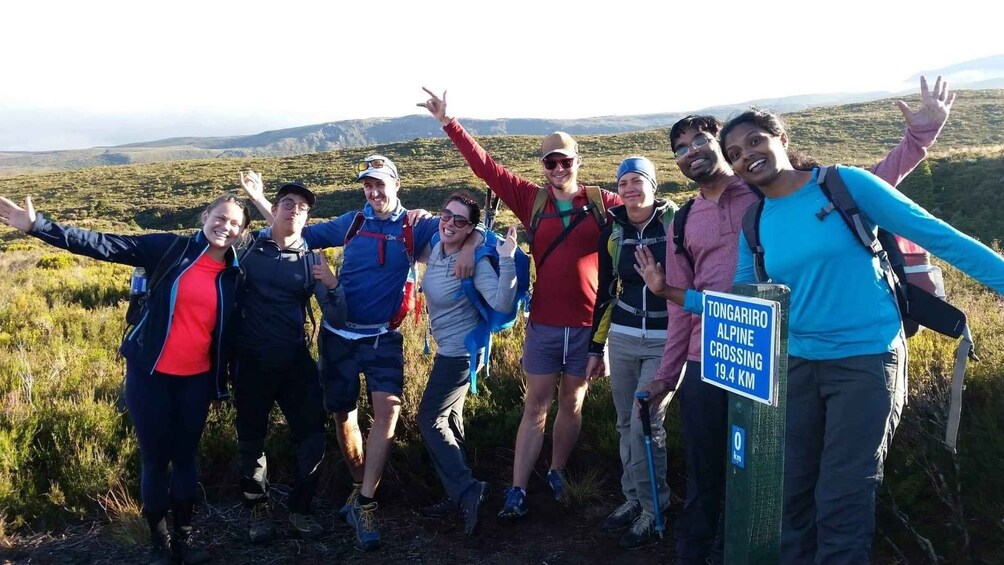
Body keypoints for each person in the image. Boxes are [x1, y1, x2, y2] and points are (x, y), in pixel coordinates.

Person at [634, 76, 957, 565]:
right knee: (737, 478)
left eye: (703, 139)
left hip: (794, 357)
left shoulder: (768, 190)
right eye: (681, 147)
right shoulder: (685, 221)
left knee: (801, 484)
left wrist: (919, 139)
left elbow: (872, 187)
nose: (693, 151)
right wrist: (667, 370)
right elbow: (694, 305)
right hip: (719, 356)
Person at [700, 104, 1004, 563]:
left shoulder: (842, 185)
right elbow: (745, 300)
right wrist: (675, 295)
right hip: (797, 367)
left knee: (843, 496)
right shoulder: (755, 222)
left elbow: (939, 235)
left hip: (865, 361)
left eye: (756, 141)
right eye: (736, 153)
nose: (748, 156)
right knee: (791, 494)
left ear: (781, 137)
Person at [240, 156, 478, 551]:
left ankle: (367, 502)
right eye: (368, 185)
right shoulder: (352, 221)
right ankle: (357, 489)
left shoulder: (414, 226)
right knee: (344, 417)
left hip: (383, 338)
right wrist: (261, 199)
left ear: (396, 184)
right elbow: (294, 231)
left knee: (388, 412)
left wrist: (472, 243)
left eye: (380, 184)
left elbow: (461, 226)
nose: (374, 192)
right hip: (337, 337)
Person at [0, 192, 251, 564]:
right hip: (150, 375)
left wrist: (222, 382)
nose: (225, 227)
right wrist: (39, 227)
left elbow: (231, 334)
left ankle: (184, 539)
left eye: (234, 223)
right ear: (205, 215)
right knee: (154, 459)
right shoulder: (169, 249)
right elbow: (104, 244)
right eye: (221, 217)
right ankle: (158, 543)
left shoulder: (234, 273)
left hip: (195, 381)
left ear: (243, 232)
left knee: (185, 459)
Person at [419, 88, 622, 519]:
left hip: (587, 327)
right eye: (550, 161)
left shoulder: (604, 203)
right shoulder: (533, 201)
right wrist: (448, 123)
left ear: (577, 161)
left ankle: (558, 470)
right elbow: (487, 169)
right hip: (545, 323)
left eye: (565, 160)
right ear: (543, 165)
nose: (558, 168)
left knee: (573, 404)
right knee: (536, 406)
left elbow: (645, 211)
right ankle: (517, 488)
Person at [230, 176, 336, 544]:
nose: (295, 210)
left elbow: (336, 314)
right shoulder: (246, 247)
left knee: (312, 437)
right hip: (251, 362)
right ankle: (257, 510)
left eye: (303, 208)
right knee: (250, 441)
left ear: (307, 219)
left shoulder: (311, 261)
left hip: (294, 362)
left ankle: (300, 509)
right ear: (273, 210)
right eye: (288, 204)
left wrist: (333, 286)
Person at [584, 156, 676, 549]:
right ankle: (633, 498)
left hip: (664, 338)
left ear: (654, 186)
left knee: (646, 425)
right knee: (625, 422)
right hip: (622, 334)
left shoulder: (675, 224)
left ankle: (656, 508)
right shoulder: (614, 229)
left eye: (638, 181)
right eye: (623, 184)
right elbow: (606, 291)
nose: (630, 189)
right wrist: (595, 347)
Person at [417, 191, 519, 537]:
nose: (450, 223)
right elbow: (425, 237)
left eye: (460, 221)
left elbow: (503, 303)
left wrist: (505, 259)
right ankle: (458, 493)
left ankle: (467, 489)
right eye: (447, 215)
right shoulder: (436, 244)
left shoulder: (475, 263)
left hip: (460, 353)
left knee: (429, 418)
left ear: (470, 227)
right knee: (450, 418)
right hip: (450, 348)